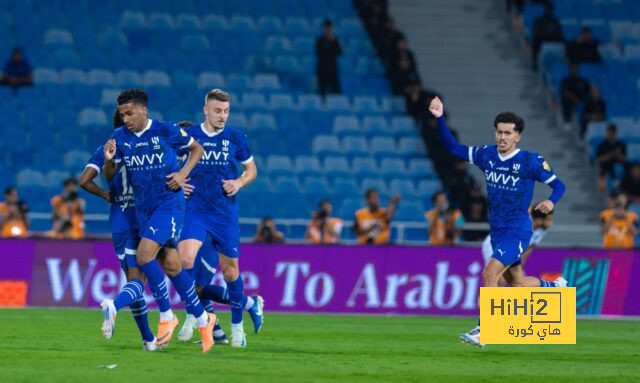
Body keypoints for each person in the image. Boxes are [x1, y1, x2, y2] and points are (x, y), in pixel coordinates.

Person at [428, 96, 566, 348]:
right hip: (499, 231)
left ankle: (485, 329)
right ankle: (553, 285)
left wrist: (551, 201)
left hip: (518, 230)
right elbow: (452, 147)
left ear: (518, 137)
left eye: (507, 133)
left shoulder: (530, 161)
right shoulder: (486, 155)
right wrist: (439, 118)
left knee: (490, 273)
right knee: (518, 284)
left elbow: (559, 184)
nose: (502, 137)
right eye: (499, 132)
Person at [102, 89, 217, 353]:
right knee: (173, 266)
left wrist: (182, 174)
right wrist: (109, 161)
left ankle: (167, 315)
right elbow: (110, 175)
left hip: (169, 205)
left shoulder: (166, 131)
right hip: (145, 210)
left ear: (144, 110)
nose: (126, 118)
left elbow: (196, 149)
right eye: (122, 114)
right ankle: (203, 318)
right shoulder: (120, 137)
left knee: (144, 256)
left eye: (130, 113)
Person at [176, 89, 263, 348]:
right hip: (195, 211)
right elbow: (170, 166)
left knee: (230, 271)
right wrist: (179, 182)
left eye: (226, 111)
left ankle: (237, 327)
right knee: (185, 259)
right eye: (217, 110)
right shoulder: (190, 136)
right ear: (205, 110)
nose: (222, 116)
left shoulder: (235, 137)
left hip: (224, 214)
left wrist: (239, 182)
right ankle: (197, 315)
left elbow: (252, 170)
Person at [78, 108, 162, 351]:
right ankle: (113, 305)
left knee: (133, 281)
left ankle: (148, 340)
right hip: (142, 218)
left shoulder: (104, 151)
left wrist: (107, 195)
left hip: (119, 221)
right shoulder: (140, 146)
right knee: (139, 281)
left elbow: (83, 181)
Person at [482, 206, 558, 287]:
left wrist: (519, 268)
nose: (551, 223)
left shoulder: (542, 230)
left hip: (513, 249)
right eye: (548, 220)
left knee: (518, 282)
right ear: (539, 220)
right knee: (495, 277)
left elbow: (528, 250)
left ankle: (554, 286)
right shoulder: (523, 222)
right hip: (496, 245)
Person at [316, 20, 343, 99]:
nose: (328, 30)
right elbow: (319, 54)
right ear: (324, 29)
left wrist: (333, 41)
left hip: (333, 70)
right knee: (322, 93)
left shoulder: (335, 40)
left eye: (329, 28)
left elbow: (340, 52)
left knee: (337, 92)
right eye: (326, 28)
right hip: (322, 70)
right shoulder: (320, 40)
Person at [531, 4, 563, 69]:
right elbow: (536, 32)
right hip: (542, 38)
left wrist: (552, 34)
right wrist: (547, 33)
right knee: (535, 40)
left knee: (564, 40)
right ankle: (535, 62)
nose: (548, 12)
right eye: (547, 10)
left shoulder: (555, 21)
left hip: (553, 38)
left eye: (550, 10)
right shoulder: (539, 20)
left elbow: (559, 32)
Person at [596, 124, 626, 193]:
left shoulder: (621, 144)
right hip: (606, 164)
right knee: (602, 169)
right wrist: (610, 155)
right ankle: (602, 189)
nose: (608, 135)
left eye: (610, 133)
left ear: (615, 133)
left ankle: (621, 186)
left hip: (618, 163)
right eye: (607, 133)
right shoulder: (603, 145)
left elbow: (624, 159)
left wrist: (617, 155)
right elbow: (599, 159)